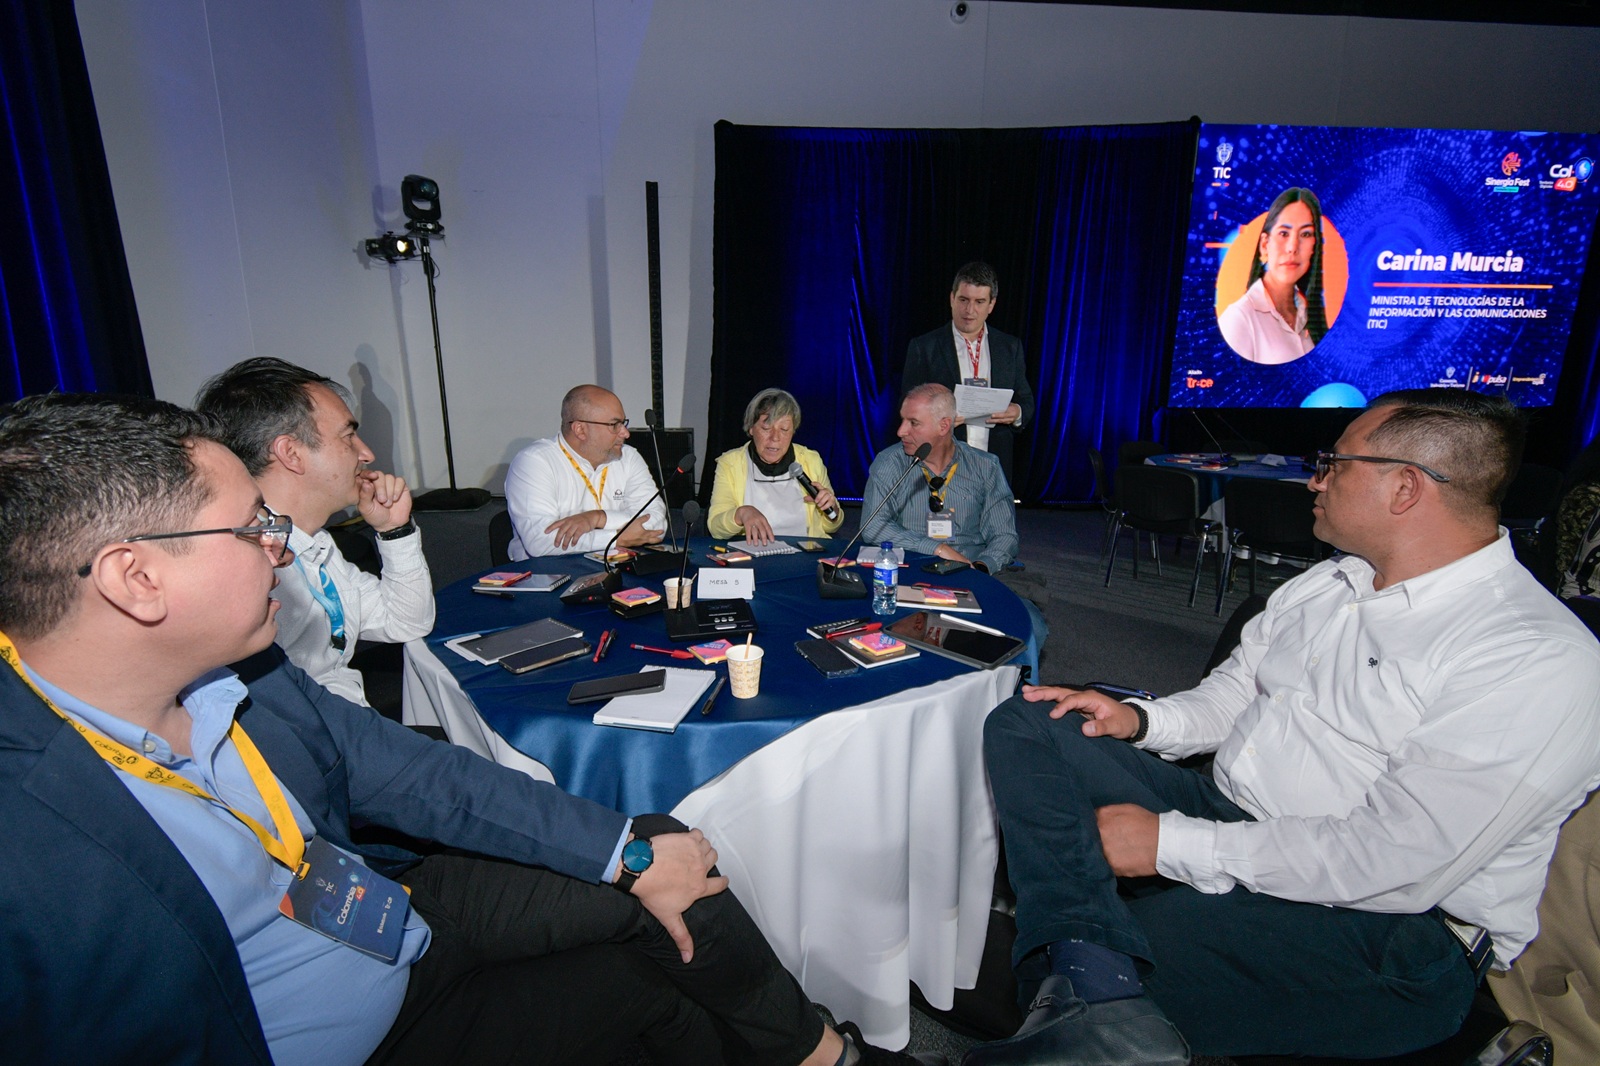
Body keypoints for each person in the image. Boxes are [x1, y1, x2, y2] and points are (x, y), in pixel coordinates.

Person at [0, 394, 942, 1066]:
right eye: (252, 532)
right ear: (135, 579)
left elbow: (424, 777)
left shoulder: (244, 678)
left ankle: (822, 1056)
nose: (278, 552)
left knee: (662, 864)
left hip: (391, 914)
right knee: (644, 978)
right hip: (368, 1030)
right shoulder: (32, 849)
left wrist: (624, 853)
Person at [967, 390, 1600, 1065]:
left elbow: (1395, 864)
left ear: (1405, 488)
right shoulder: (1332, 582)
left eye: (1334, 463)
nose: (1314, 480)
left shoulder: (1534, 655)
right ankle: (1093, 982)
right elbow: (1232, 696)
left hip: (1394, 930)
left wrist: (1170, 844)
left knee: (1092, 956)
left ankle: (1084, 980)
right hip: (1237, 816)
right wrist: (1142, 719)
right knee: (1031, 719)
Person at [195, 357, 434, 708]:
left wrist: (394, 531)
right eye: (348, 436)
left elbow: (406, 621)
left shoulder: (313, 542)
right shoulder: (250, 566)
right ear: (291, 453)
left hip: (343, 718)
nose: (366, 453)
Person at [902, 262, 1035, 490]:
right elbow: (906, 405)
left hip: (995, 466)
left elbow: (1026, 401)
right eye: (963, 300)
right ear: (952, 298)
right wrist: (936, 419)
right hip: (941, 463)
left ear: (991, 304)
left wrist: (1017, 413)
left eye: (979, 302)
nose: (969, 310)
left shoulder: (1010, 347)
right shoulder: (925, 347)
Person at [861, 383, 1017, 575]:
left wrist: (982, 567)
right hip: (912, 571)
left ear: (943, 426)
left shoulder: (985, 466)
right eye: (902, 420)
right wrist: (937, 548)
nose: (901, 431)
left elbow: (1004, 535)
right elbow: (873, 526)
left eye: (913, 423)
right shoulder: (890, 463)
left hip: (971, 569)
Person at [505, 384, 667, 559]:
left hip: (616, 566)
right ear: (580, 429)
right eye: (614, 425)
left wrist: (598, 518)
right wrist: (616, 538)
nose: (625, 433)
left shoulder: (628, 458)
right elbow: (541, 541)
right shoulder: (534, 462)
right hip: (549, 571)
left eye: (623, 423)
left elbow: (657, 524)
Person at [707, 387, 844, 544]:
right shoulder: (730, 464)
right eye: (766, 428)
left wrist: (832, 510)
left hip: (805, 553)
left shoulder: (810, 460)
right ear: (751, 428)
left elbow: (831, 526)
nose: (775, 438)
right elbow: (716, 529)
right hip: (755, 554)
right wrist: (741, 514)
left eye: (784, 429)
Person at [1217, 187, 1330, 366]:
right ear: (1264, 244)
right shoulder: (1240, 319)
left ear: (1314, 246)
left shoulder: (1310, 316)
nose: (1293, 247)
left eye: (1305, 234)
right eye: (1284, 233)